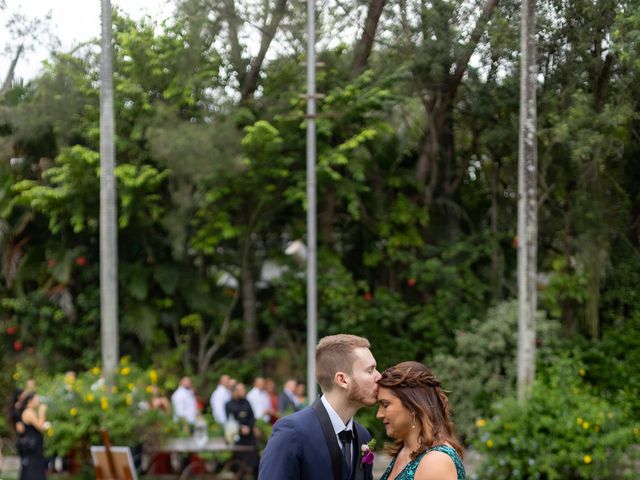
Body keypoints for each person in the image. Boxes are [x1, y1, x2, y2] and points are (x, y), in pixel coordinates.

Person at [258, 334, 381, 480]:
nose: (379, 376)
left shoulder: (363, 436)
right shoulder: (292, 433)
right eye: (370, 370)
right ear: (342, 379)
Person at [376, 362, 465, 480]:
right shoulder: (406, 450)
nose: (379, 414)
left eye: (385, 405)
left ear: (413, 406)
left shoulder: (436, 461)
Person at [225, 383, 260, 475]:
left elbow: (252, 417)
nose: (243, 391)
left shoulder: (246, 402)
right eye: (241, 389)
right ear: (235, 391)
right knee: (239, 462)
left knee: (254, 460)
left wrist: (250, 427)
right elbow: (230, 421)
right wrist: (240, 428)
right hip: (237, 437)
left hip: (249, 436)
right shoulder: (228, 404)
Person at [18, 392, 49, 480]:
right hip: (32, 447)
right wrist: (42, 412)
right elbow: (40, 426)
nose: (38, 401)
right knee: (33, 471)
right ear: (30, 401)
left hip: (35, 447)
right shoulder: (28, 412)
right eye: (36, 399)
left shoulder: (30, 411)